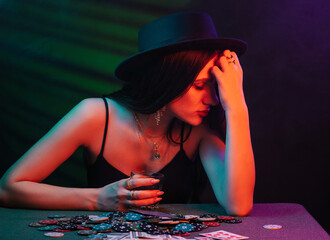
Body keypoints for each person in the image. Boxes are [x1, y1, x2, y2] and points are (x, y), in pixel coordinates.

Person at [0, 12, 255, 216]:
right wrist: (97, 200)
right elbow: (7, 189)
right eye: (200, 85)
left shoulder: (197, 129)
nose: (212, 98)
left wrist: (236, 106)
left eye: (216, 87)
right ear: (165, 80)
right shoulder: (95, 115)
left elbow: (239, 206)